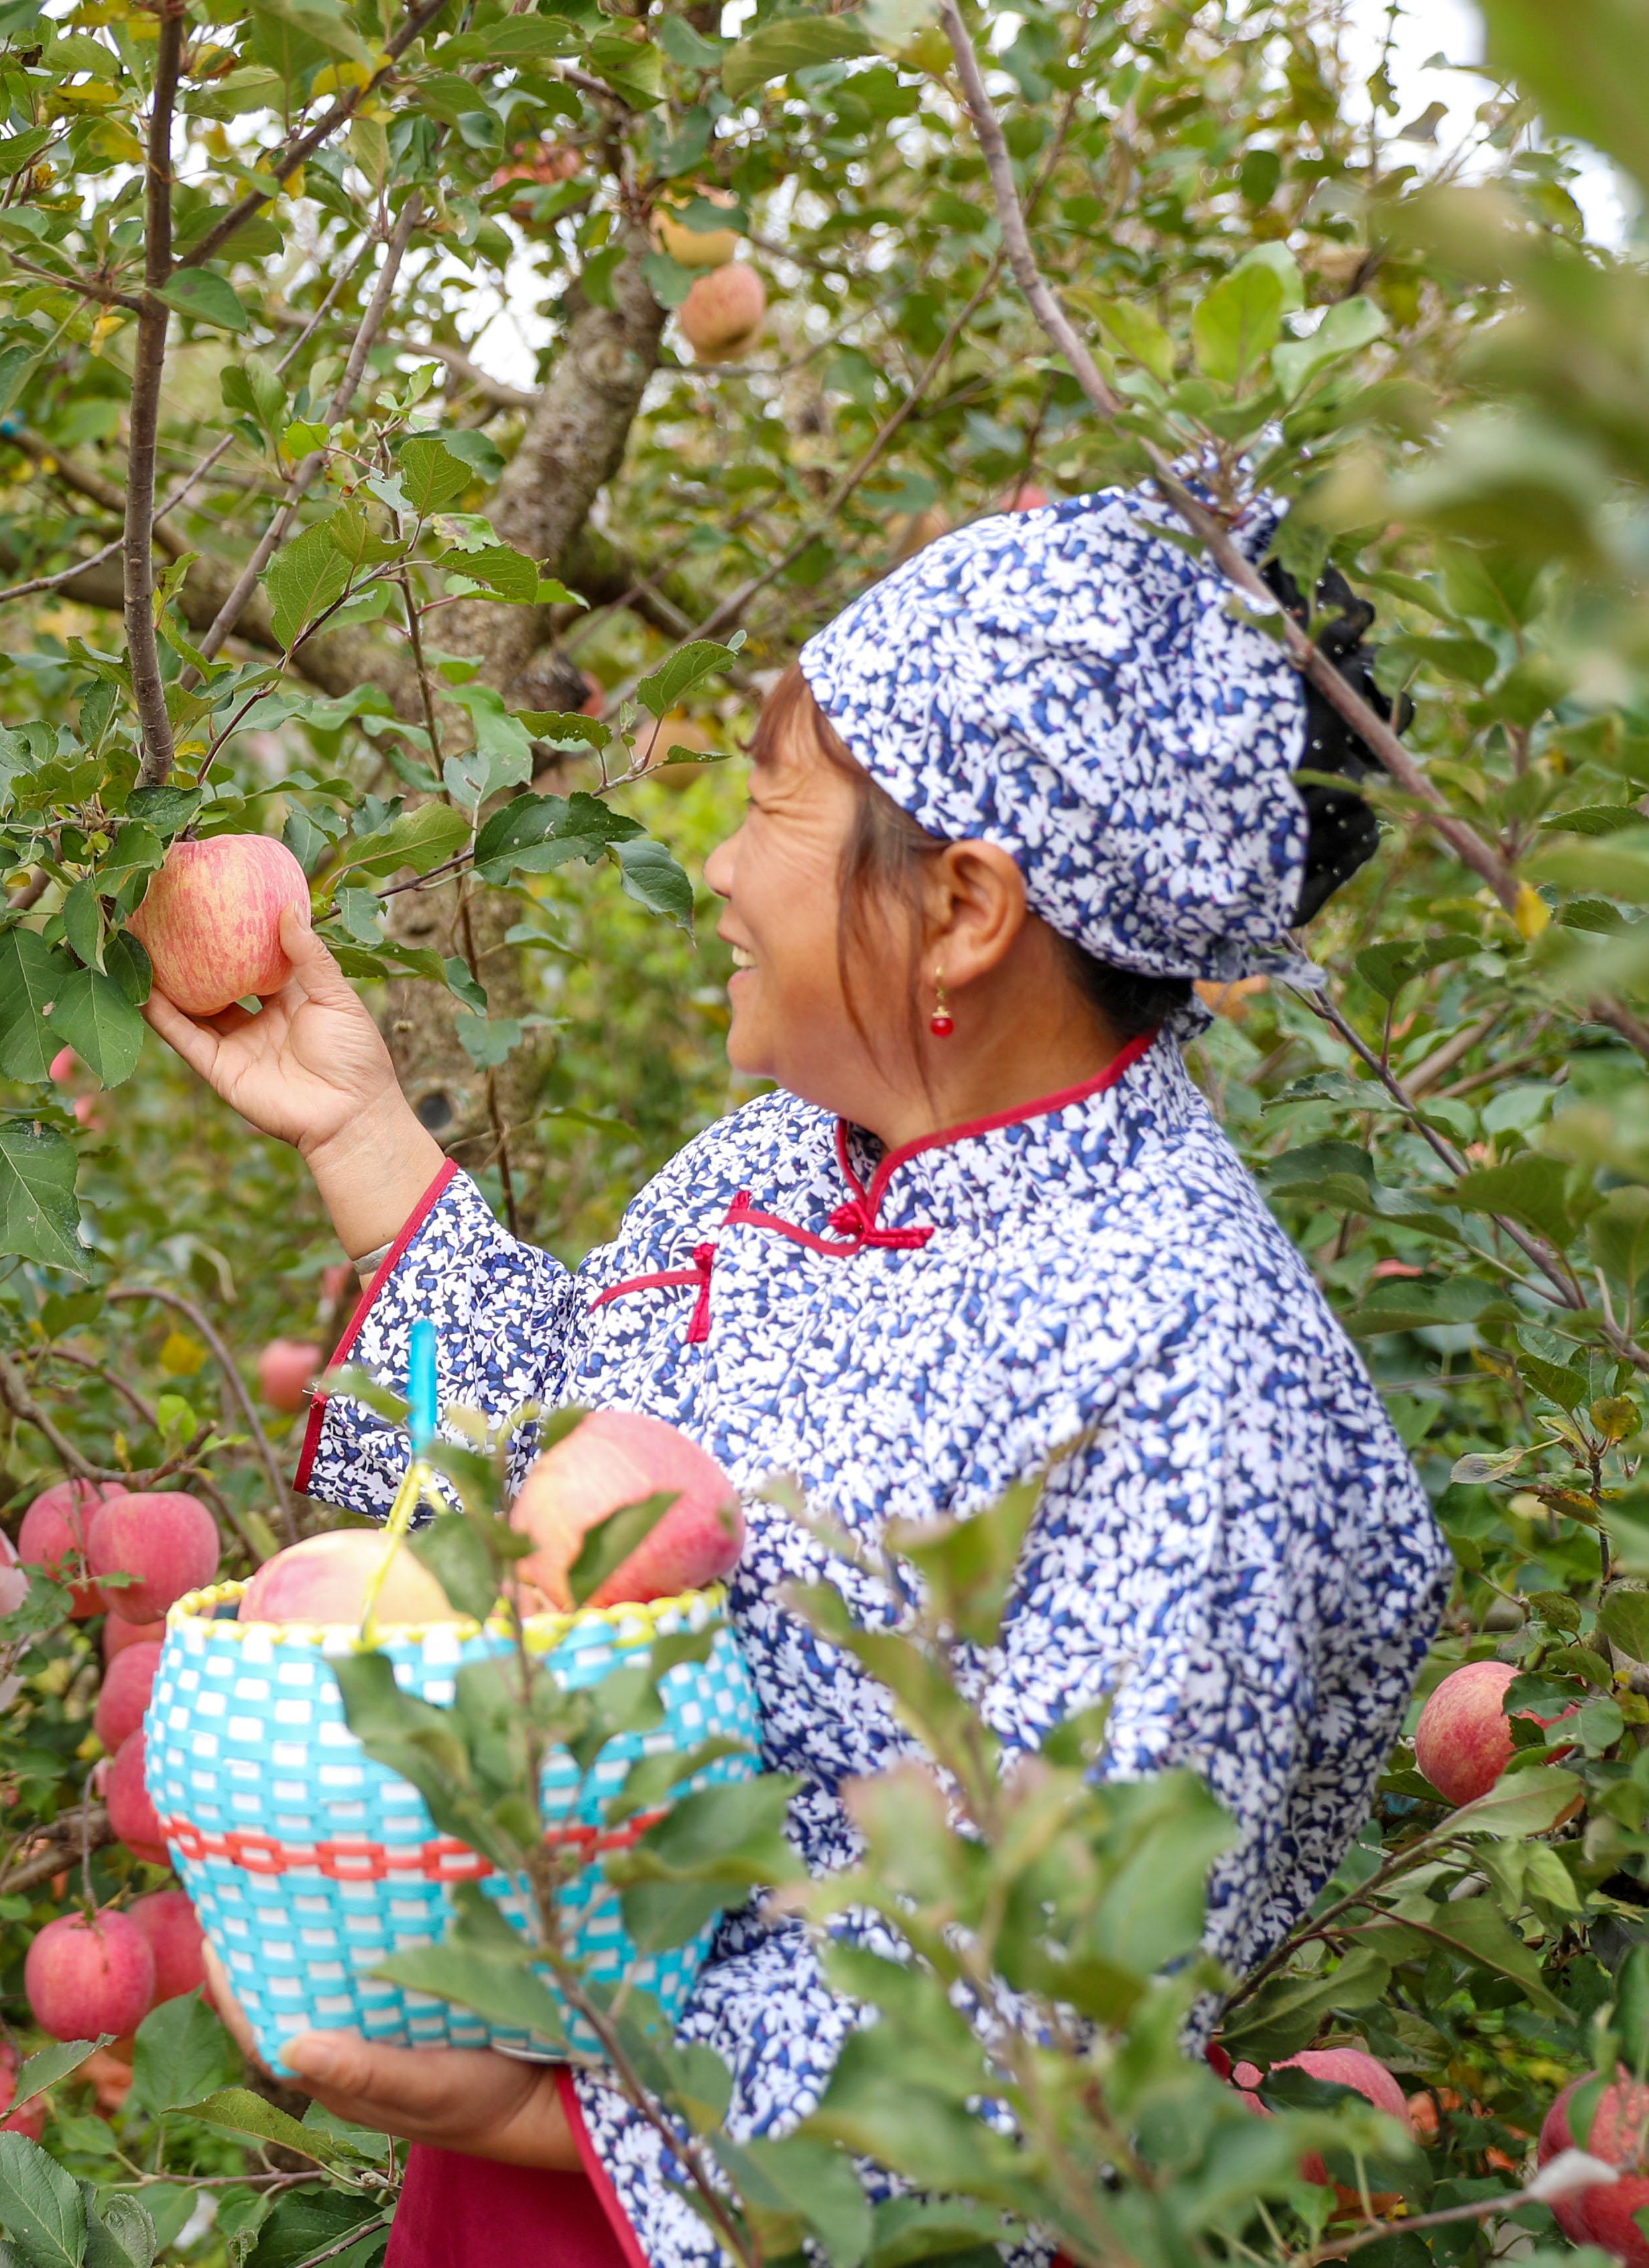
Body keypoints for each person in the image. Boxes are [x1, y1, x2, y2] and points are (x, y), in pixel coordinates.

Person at [145, 481, 1451, 2265]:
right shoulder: (774, 1161)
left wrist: (533, 2113)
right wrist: (361, 1137)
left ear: (965, 908)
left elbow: (1062, 1996)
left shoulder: (1187, 1366)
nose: (718, 865)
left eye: (772, 805)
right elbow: (548, 1528)